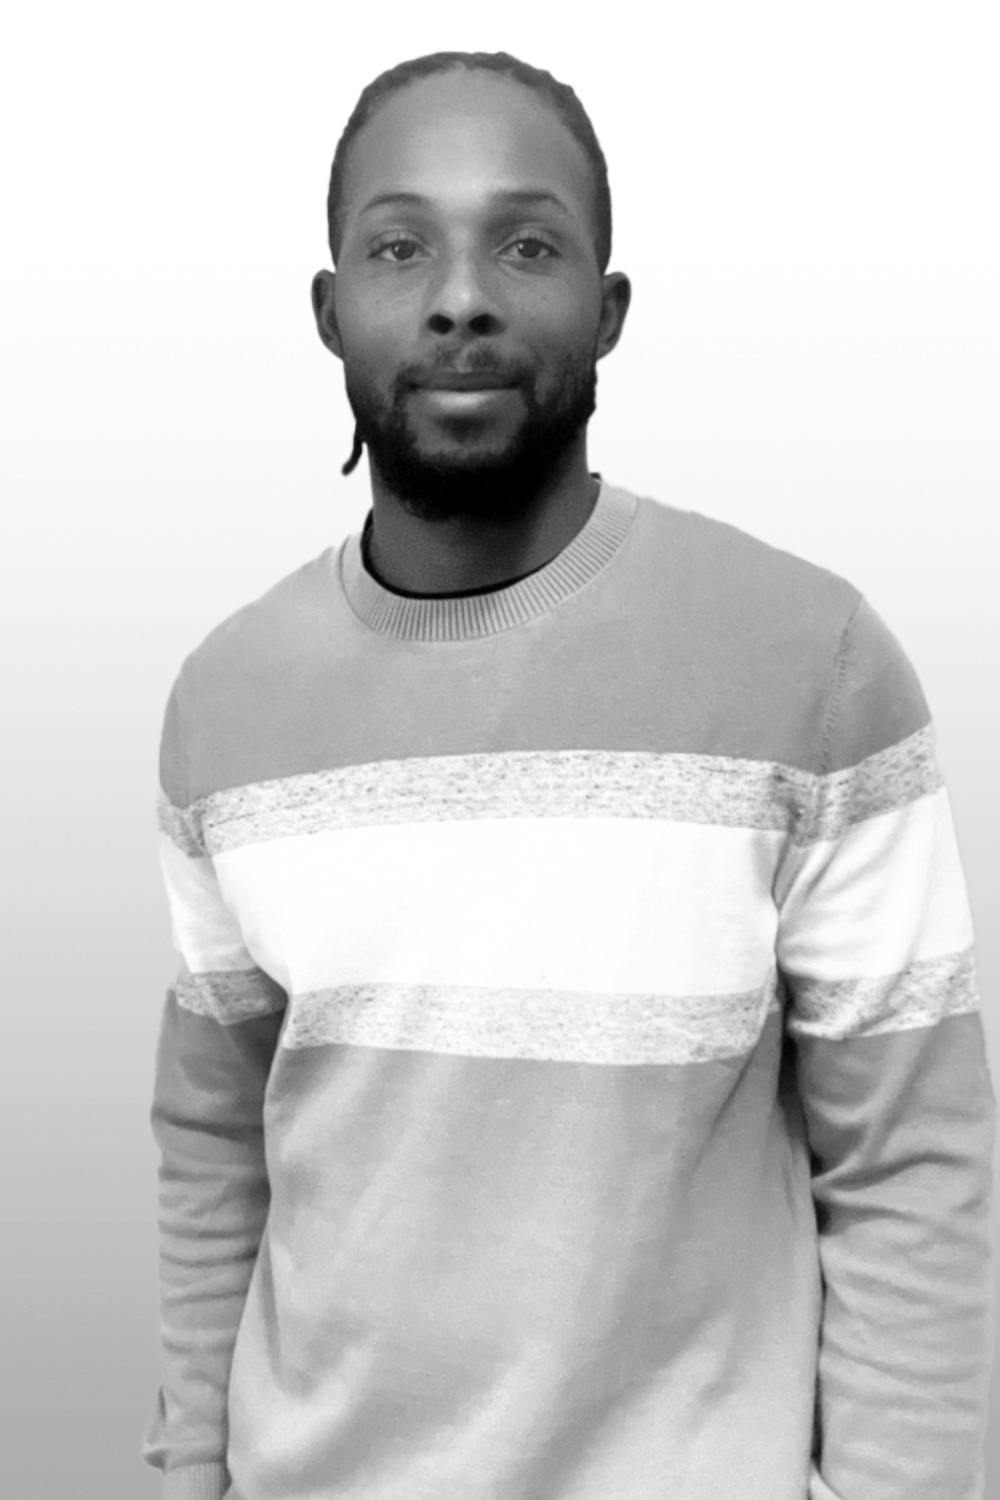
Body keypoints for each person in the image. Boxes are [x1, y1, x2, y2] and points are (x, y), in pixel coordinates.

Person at [141, 49, 996, 1500]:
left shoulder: (815, 663)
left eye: (526, 245)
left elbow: (913, 1161)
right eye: (399, 246)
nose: (460, 298)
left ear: (608, 311)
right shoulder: (224, 703)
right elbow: (216, 1143)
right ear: (329, 310)